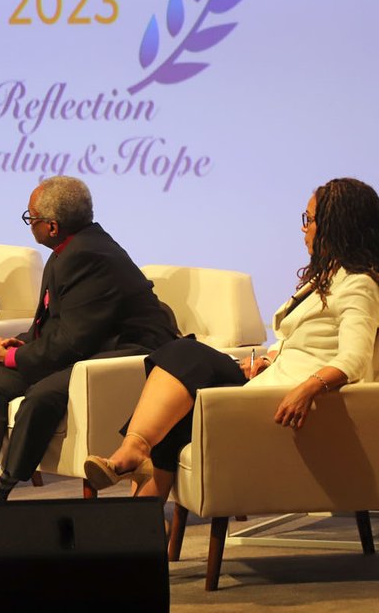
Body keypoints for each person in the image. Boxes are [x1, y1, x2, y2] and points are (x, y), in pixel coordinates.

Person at [82, 177, 379, 498]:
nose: (304, 228)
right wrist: (267, 359)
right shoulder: (328, 278)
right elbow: (304, 342)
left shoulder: (358, 284)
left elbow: (355, 358)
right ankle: (144, 524)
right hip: (269, 384)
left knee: (184, 352)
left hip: (284, 402)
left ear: (336, 226)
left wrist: (307, 388)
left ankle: (131, 450)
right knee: (174, 421)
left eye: (310, 220)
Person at [0, 176, 177, 540]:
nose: (31, 226)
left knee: (43, 394)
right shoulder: (70, 250)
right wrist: (19, 344)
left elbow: (73, 341)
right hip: (85, 349)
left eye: (31, 219)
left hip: (121, 356)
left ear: (52, 226)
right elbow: (62, 324)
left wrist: (14, 357)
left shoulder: (89, 255)